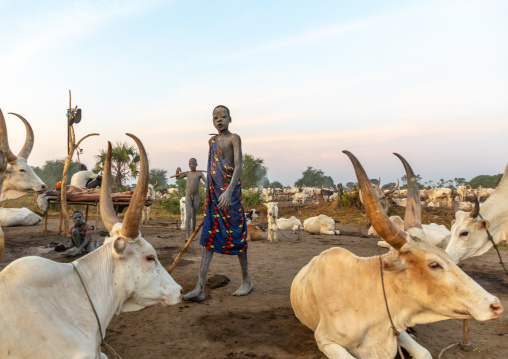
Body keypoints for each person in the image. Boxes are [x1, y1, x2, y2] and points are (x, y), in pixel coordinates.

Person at [183, 105, 253, 302]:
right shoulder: (212, 141)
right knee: (209, 237)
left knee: (238, 235)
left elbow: (238, 166)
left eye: (223, 116)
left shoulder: (234, 138)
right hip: (214, 197)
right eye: (215, 117)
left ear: (230, 119)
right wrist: (213, 194)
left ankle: (247, 280)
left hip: (230, 197)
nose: (219, 120)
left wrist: (229, 191)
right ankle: (200, 288)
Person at [175, 158, 206, 238]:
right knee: (188, 215)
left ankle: (193, 234)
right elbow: (177, 178)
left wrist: (211, 175)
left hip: (196, 196)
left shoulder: (199, 173)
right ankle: (187, 235)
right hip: (188, 196)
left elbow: (206, 182)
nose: (191, 165)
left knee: (194, 215)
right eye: (190, 164)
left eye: (193, 163)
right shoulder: (187, 173)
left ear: (196, 164)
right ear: (188, 165)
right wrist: (177, 171)